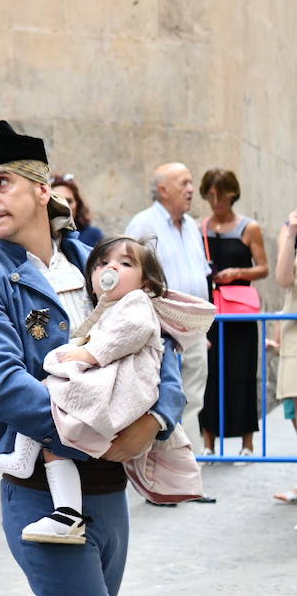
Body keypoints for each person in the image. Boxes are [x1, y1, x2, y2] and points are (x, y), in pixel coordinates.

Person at [0, 121, 185, 596]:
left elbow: (160, 343)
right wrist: (91, 434)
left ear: (41, 188)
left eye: (1, 182)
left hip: (109, 491)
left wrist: (155, 420)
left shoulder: (100, 259)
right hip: (39, 494)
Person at [0, 236, 211, 541]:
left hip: (122, 388)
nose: (112, 267)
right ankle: (62, 508)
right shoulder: (108, 306)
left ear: (146, 283)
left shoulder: (136, 302)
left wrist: (86, 354)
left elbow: (129, 334)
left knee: (53, 394)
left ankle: (33, 470)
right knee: (50, 415)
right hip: (113, 387)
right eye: (103, 263)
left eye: (126, 263)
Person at [125, 163, 212, 463]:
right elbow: (130, 281)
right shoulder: (142, 225)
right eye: (184, 183)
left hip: (194, 331)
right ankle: (160, 472)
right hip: (158, 331)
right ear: (163, 190)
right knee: (160, 403)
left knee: (193, 398)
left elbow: (201, 276)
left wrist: (202, 329)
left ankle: (188, 469)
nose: (191, 189)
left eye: (191, 182)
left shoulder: (191, 226)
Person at [197, 168, 268, 457]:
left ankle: (247, 444)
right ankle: (208, 443)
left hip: (239, 313)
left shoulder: (249, 228)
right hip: (210, 311)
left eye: (221, 195)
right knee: (209, 373)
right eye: (210, 195)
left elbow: (264, 268)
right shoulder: (199, 228)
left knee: (242, 373)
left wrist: (238, 272)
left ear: (232, 194)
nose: (216, 201)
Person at [273, 207, 297, 504]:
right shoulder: (289, 225)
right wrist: (291, 234)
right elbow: (282, 279)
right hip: (295, 336)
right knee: (294, 409)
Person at [52, 173, 104, 247]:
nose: (64, 206)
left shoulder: (93, 235)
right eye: (57, 201)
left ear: (78, 204)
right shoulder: (42, 236)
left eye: (69, 201)